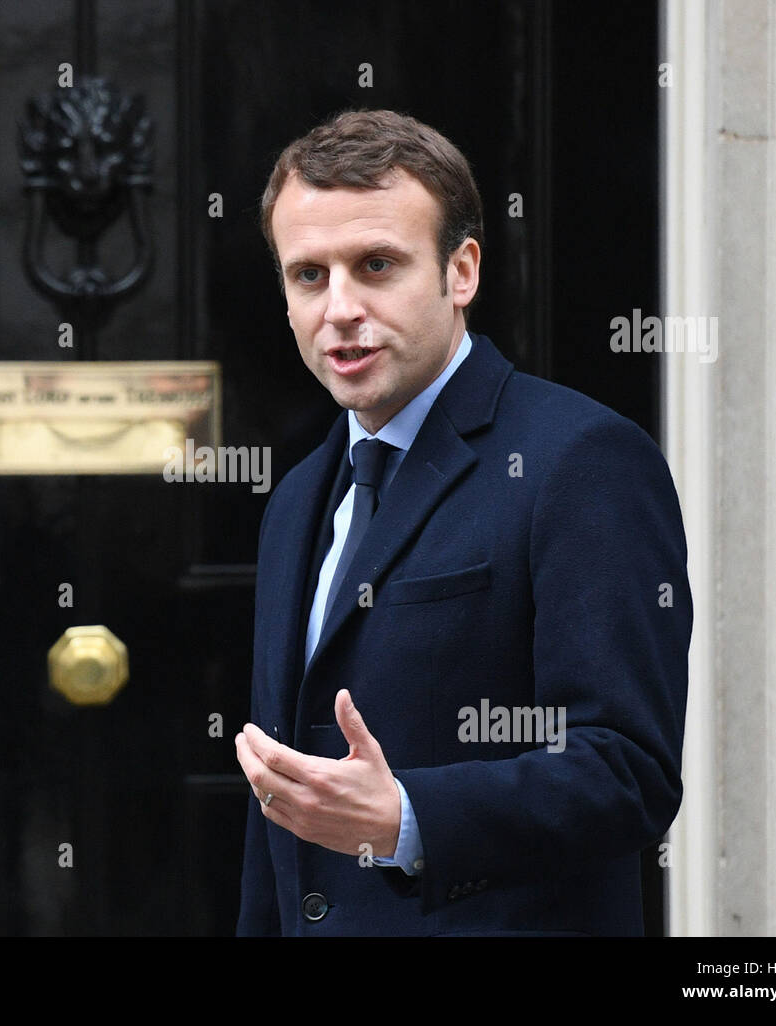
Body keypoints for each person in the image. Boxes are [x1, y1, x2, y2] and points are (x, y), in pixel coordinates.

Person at [234, 109, 691, 936]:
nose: (339, 307)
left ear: (462, 271)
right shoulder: (298, 498)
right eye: (309, 275)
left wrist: (406, 816)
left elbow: (628, 773)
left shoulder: (582, 461)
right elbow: (285, 812)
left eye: (376, 265)